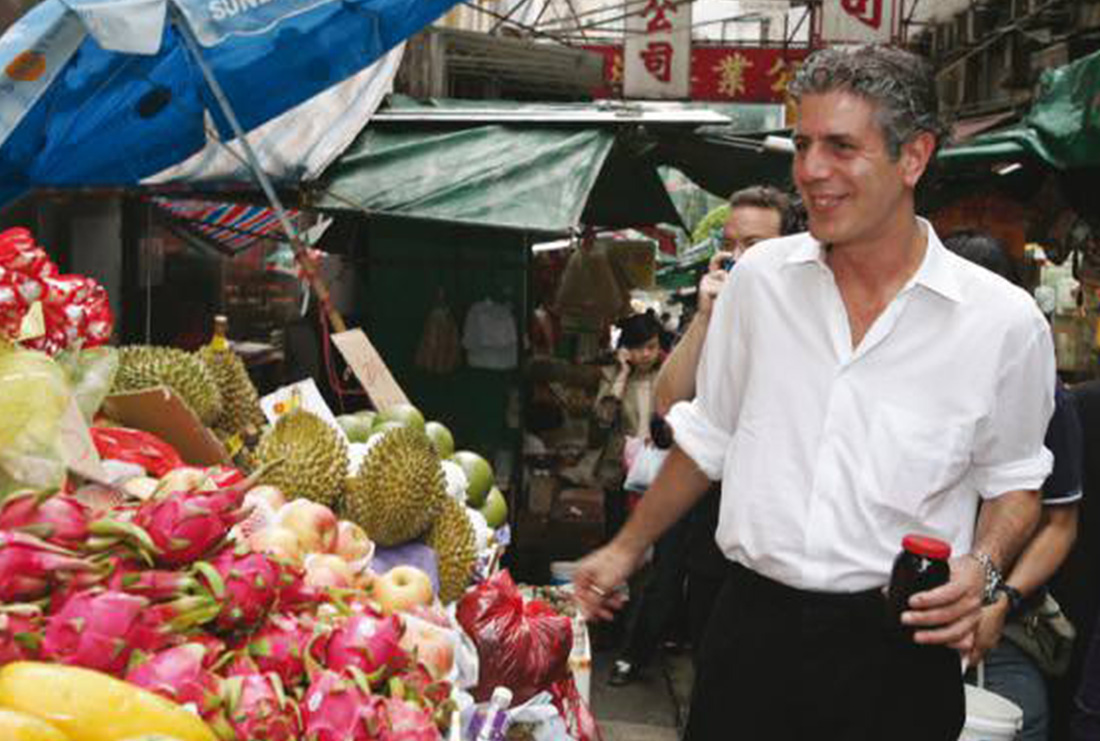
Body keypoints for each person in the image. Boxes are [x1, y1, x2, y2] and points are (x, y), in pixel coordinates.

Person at [573, 44, 1056, 741]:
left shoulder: (1001, 324)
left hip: (898, 652)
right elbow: (709, 438)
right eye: (803, 144)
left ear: (913, 158)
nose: (810, 171)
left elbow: (1015, 482)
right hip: (750, 634)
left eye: (841, 146)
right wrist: (626, 548)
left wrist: (981, 567)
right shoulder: (760, 283)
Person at [604, 186, 795, 685]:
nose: (737, 259)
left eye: (753, 245)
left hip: (781, 541)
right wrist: (709, 317)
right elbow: (669, 399)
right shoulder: (719, 314)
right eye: (730, 245)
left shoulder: (809, 322)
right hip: (712, 519)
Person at [944, 230, 1083, 741]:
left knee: (1013, 720)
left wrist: (1002, 599)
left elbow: (1060, 523)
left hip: (998, 630)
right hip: (891, 610)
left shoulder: (1045, 395)